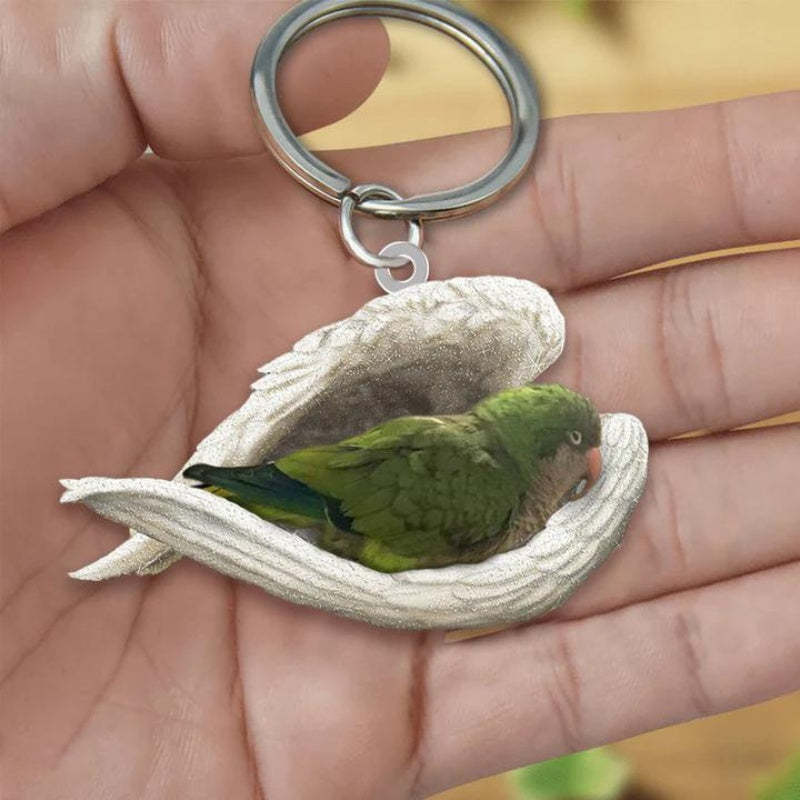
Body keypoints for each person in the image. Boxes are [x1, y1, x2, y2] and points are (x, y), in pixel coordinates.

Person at [1, 5, 798, 798]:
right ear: (540, 450)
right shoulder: (481, 482)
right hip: (331, 509)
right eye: (574, 451)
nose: (584, 467)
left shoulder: (493, 467)